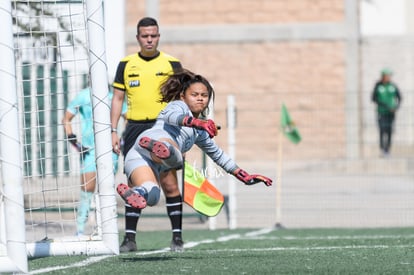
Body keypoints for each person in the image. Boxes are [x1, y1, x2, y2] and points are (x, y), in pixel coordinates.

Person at [116, 70, 273, 233]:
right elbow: (172, 117)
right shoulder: (178, 105)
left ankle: (135, 191)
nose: (200, 98)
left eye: (204, 95)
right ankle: (164, 149)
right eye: (195, 94)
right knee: (176, 159)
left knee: (153, 195)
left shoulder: (200, 132)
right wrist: (197, 122)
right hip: (154, 140)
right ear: (183, 96)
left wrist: (244, 176)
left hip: (138, 157)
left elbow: (218, 155)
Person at [110, 17, 184, 252]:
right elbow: (118, 99)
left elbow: (182, 99)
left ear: (159, 36)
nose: (149, 39)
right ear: (138, 38)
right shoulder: (126, 64)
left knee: (169, 182)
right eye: (145, 36)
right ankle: (129, 239)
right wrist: (113, 131)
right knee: (135, 183)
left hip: (163, 128)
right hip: (134, 129)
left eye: (153, 35)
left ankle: (177, 238)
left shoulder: (172, 64)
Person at [63, 86, 126, 236]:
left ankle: (106, 228)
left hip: (110, 149)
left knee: (106, 187)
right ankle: (79, 229)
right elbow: (66, 118)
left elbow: (128, 116)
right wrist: (73, 139)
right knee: (87, 188)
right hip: (89, 148)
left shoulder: (114, 97)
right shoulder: (83, 95)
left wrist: (122, 139)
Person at [371, 68, 402, 157]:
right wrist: (385, 106)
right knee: (382, 130)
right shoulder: (378, 86)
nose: (389, 77)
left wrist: (396, 107)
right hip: (381, 112)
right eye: (387, 76)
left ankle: (387, 150)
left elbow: (400, 97)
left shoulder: (393, 86)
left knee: (389, 131)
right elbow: (374, 98)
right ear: (383, 76)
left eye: (389, 76)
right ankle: (382, 149)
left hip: (391, 113)